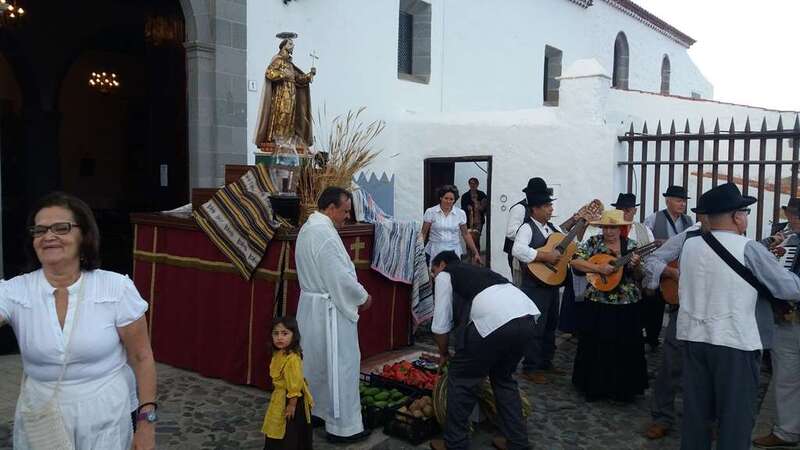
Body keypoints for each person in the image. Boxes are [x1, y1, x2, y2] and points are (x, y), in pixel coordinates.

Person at [0, 192, 157, 449]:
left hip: (105, 416)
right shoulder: (16, 291)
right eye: (40, 230)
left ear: (83, 235)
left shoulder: (115, 288)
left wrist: (146, 423)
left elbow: (142, 357)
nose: (49, 236)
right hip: (41, 418)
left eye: (61, 228)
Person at [676, 183, 800, 450]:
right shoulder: (748, 248)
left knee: (696, 416)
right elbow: (789, 288)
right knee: (735, 419)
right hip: (735, 343)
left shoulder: (690, 246)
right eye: (744, 211)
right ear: (736, 216)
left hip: (694, 339)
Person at [428, 251, 539, 450]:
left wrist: (444, 353)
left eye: (433, 271)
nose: (434, 276)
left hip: (494, 323)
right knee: (504, 379)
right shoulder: (481, 271)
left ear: (442, 264)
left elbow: (440, 325)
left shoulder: (445, 274)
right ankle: (517, 442)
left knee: (461, 380)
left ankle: (455, 444)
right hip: (527, 317)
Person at [295, 186, 372, 443]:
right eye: (345, 211)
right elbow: (338, 276)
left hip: (310, 307)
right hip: (330, 311)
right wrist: (362, 296)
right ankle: (344, 427)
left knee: (316, 364)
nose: (347, 217)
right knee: (342, 364)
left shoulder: (308, 229)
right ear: (330, 208)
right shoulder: (324, 235)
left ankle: (316, 411)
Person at [570, 210, 648, 402]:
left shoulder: (631, 246)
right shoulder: (593, 243)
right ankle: (595, 386)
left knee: (624, 347)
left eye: (613, 227)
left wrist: (636, 265)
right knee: (596, 344)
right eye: (606, 227)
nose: (609, 231)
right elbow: (575, 262)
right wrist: (598, 268)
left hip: (626, 303)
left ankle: (623, 390)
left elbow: (640, 276)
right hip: (598, 301)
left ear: (620, 228)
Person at [752, 197, 800, 449]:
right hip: (789, 318)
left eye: (796, 215)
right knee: (786, 376)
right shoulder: (788, 238)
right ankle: (787, 431)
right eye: (791, 214)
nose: (792, 219)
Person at [512, 177, 564, 384]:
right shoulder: (526, 228)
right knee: (536, 327)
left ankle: (546, 362)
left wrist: (582, 223)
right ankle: (530, 367)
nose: (551, 209)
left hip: (551, 283)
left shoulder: (552, 228)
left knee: (551, 325)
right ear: (535, 209)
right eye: (547, 206)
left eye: (550, 205)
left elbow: (565, 242)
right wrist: (544, 256)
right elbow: (518, 250)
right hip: (534, 286)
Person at [642, 185, 694, 350]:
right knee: (655, 307)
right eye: (679, 200)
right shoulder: (653, 219)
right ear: (668, 201)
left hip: (680, 269)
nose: (682, 204)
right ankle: (652, 339)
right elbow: (645, 244)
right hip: (659, 268)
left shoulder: (689, 221)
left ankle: (677, 340)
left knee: (679, 305)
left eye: (684, 201)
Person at [262, 316, 314, 449]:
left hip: (292, 400)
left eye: (285, 333)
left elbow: (294, 384)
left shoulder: (292, 359)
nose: (279, 337)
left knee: (289, 431)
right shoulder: (279, 353)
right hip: (281, 397)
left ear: (293, 335)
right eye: (276, 333)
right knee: (276, 426)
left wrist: (291, 405)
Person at [254, 35, 315, 148]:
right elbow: (269, 73)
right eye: (290, 44)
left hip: (291, 93)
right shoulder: (278, 60)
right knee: (282, 115)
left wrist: (309, 76)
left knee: (290, 116)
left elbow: (297, 78)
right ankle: (278, 138)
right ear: (284, 45)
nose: (293, 46)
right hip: (281, 94)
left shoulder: (289, 64)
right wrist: (282, 74)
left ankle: (287, 138)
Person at [421, 185, 481, 265]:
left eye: (451, 199)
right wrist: (418, 251)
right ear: (441, 198)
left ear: (454, 200)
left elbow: (466, 234)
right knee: (436, 274)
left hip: (453, 250)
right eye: (446, 198)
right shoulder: (431, 212)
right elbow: (423, 233)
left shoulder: (460, 213)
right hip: (435, 249)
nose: (448, 201)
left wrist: (475, 252)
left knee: (453, 274)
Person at [460, 178, 488, 261]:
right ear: (469, 184)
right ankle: (469, 258)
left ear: (477, 184)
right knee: (468, 239)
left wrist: (478, 205)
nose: (473, 185)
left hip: (479, 222)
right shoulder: (465, 196)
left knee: (476, 240)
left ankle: (477, 257)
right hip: (468, 221)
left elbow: (485, 207)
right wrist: (467, 208)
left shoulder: (482, 194)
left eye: (474, 183)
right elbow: (462, 208)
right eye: (471, 183)